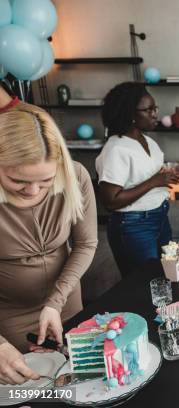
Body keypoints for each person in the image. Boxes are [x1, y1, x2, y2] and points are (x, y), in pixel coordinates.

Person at [0, 106, 98, 385]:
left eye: (45, 182)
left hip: (67, 302)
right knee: (28, 391)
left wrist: (56, 302)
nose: (32, 192)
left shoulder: (75, 176)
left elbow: (86, 243)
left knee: (80, 383)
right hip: (9, 319)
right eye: (17, 181)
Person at [96, 82, 179, 277]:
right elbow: (110, 201)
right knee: (145, 284)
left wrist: (168, 174)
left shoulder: (147, 141)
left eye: (155, 108)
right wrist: (155, 181)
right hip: (134, 226)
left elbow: (151, 175)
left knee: (169, 277)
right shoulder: (116, 150)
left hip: (160, 218)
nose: (155, 114)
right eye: (148, 109)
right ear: (130, 114)